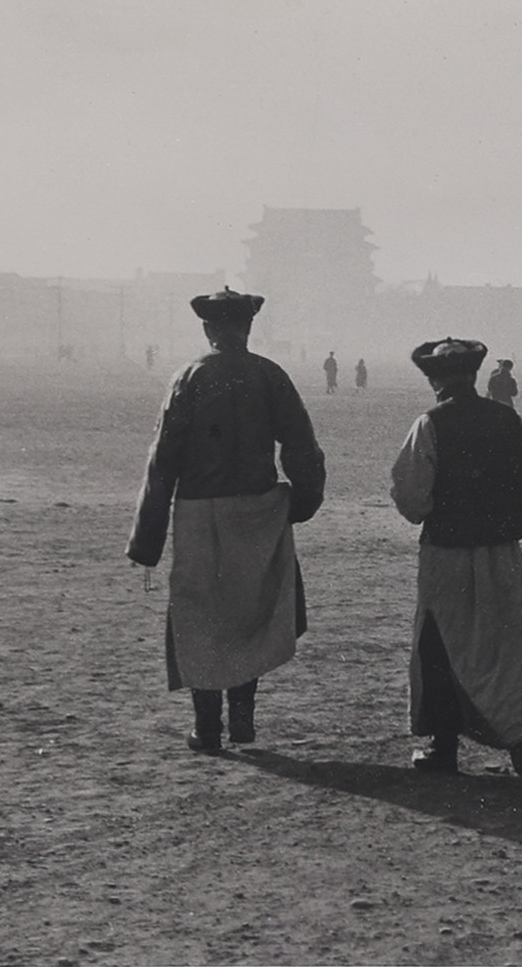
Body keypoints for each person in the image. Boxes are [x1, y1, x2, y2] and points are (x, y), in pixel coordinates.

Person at [126, 287, 326, 753]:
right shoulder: (270, 375)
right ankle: (242, 719)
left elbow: (163, 460)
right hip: (256, 511)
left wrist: (147, 538)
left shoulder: (189, 376)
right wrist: (302, 501)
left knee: (200, 613)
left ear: (208, 329)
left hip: (198, 510)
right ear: (248, 327)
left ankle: (207, 727)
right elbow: (301, 444)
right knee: (249, 610)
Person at [391, 339, 522, 775]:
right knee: (510, 644)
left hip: (447, 554)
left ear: (434, 380)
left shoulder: (429, 423)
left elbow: (412, 498)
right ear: (473, 375)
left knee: (442, 645)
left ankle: (443, 748)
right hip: (501, 551)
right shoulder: (508, 419)